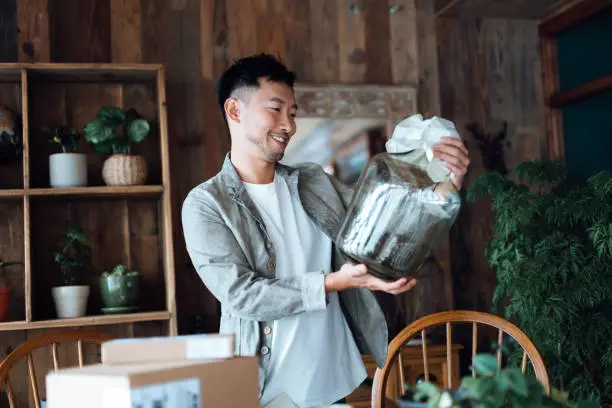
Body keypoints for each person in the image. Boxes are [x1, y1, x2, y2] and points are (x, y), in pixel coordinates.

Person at [181, 53, 470, 407]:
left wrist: (447, 184)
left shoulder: (314, 181)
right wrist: (335, 282)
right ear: (235, 111)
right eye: (275, 109)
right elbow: (243, 295)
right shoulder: (206, 205)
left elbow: (388, 223)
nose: (288, 124)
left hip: (332, 383)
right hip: (261, 392)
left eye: (292, 113)